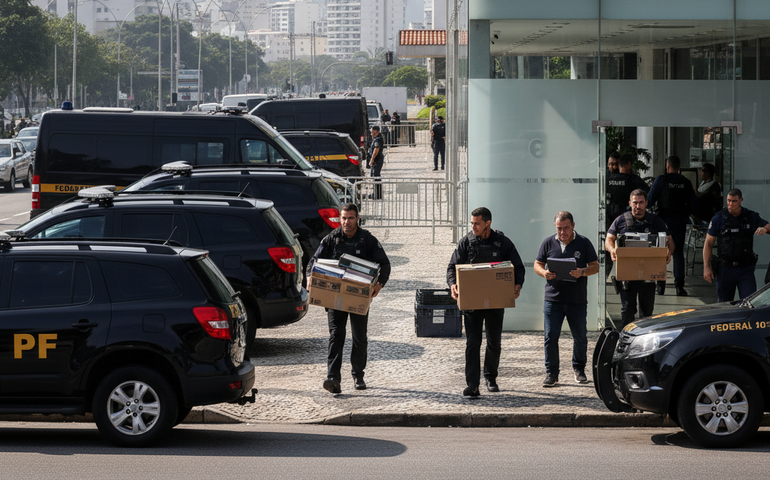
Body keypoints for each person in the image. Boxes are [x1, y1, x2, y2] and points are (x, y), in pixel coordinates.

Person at [306, 203, 391, 394]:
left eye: (350, 218)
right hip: (335, 297)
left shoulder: (367, 239)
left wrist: (380, 284)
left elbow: (385, 264)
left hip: (358, 297)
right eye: (343, 218)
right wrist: (310, 276)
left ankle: (358, 374)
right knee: (336, 335)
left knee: (359, 337)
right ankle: (333, 378)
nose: (346, 222)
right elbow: (314, 261)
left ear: (357, 218)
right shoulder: (332, 239)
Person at [446, 207, 525, 397]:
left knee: (494, 342)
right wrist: (453, 285)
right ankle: (472, 384)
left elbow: (519, 267)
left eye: (477, 223)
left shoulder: (502, 242)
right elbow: (451, 267)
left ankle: (491, 377)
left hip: (495, 303)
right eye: (472, 223)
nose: (473, 226)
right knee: (473, 343)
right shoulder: (466, 242)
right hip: (472, 302)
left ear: (487, 224)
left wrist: (517, 284)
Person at [534, 211, 599, 387]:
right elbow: (537, 264)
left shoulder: (584, 243)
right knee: (550, 337)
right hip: (553, 299)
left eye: (566, 228)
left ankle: (579, 369)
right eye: (559, 228)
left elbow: (595, 266)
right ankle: (552, 374)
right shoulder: (548, 242)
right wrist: (544, 273)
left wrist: (582, 272)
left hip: (576, 299)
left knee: (580, 337)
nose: (563, 232)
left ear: (573, 226)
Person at [605, 189, 673, 328]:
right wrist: (612, 250)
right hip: (627, 276)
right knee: (627, 311)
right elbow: (609, 239)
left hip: (648, 276)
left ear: (646, 203)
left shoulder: (655, 221)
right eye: (635, 203)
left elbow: (670, 241)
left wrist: (668, 252)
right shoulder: (621, 220)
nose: (638, 206)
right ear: (630, 203)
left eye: (641, 202)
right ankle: (625, 340)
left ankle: (645, 342)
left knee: (647, 313)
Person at [703, 189, 770, 302]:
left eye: (734, 201)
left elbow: (768, 226)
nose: (730, 204)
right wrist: (706, 267)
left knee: (749, 303)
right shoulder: (719, 218)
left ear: (740, 200)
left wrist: (764, 229)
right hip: (725, 268)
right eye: (729, 200)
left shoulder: (750, 216)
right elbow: (708, 244)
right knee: (724, 305)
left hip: (745, 268)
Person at [648, 155, 697, 296]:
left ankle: (660, 286)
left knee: (660, 252)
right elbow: (694, 203)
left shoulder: (661, 180)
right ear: (679, 168)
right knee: (678, 253)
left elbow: (650, 200)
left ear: (667, 166)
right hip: (679, 221)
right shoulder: (685, 182)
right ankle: (679, 287)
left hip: (663, 221)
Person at [605, 154, 648, 279]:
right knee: (628, 246)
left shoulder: (608, 179)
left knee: (609, 247)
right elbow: (647, 192)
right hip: (626, 217)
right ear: (629, 164)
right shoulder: (633, 180)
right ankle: (628, 275)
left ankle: (604, 278)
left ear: (618, 165)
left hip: (609, 216)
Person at [368, 125, 384, 200]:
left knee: (376, 176)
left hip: (377, 160)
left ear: (377, 132)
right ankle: (376, 193)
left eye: (373, 133)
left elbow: (376, 150)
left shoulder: (377, 140)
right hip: (377, 160)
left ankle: (377, 195)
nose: (371, 134)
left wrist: (372, 160)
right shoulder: (377, 138)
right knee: (375, 176)